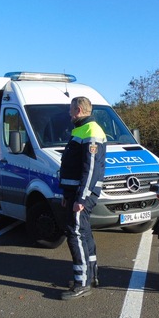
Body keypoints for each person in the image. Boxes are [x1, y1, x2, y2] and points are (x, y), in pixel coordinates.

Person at [59, 96, 107, 300]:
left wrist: (81, 198)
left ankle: (82, 282)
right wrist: (67, 194)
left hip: (83, 194)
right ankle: (91, 276)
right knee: (84, 232)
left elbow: (91, 169)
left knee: (75, 234)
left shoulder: (91, 131)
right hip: (75, 193)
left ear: (78, 110)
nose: (69, 114)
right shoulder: (82, 129)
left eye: (71, 110)